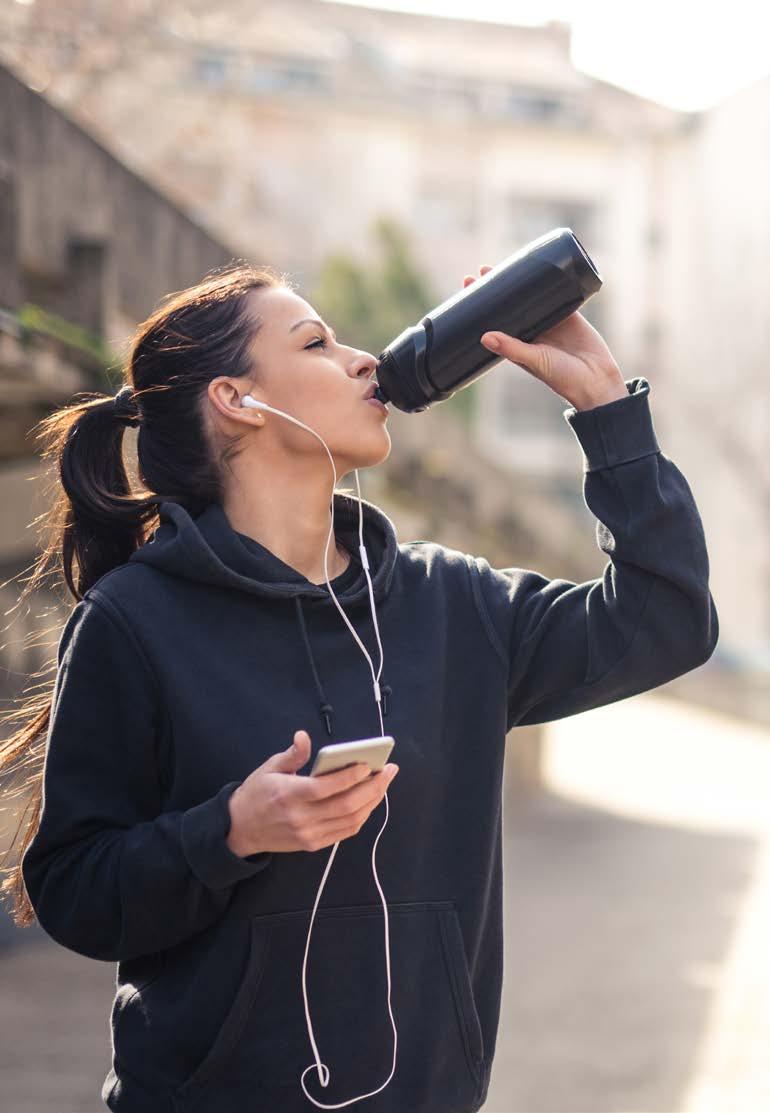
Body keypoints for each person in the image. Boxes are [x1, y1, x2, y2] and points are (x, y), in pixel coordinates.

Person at [0, 261, 718, 1113]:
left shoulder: (456, 602)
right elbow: (74, 887)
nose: (361, 359)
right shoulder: (135, 620)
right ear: (235, 398)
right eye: (316, 341)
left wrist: (608, 411)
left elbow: (667, 621)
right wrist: (228, 831)